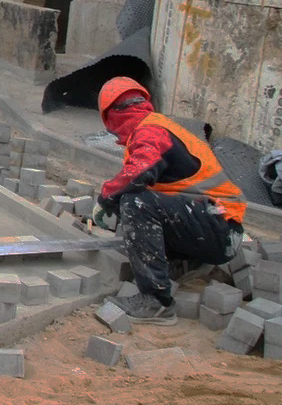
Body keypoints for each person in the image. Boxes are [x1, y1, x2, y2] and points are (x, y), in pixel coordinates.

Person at [93, 77, 248, 325]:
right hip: (213, 224)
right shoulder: (155, 127)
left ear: (111, 115)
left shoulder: (151, 131)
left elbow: (137, 174)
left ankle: (155, 302)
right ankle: (181, 266)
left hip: (222, 231)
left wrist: (104, 198)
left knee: (136, 202)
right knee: (136, 200)